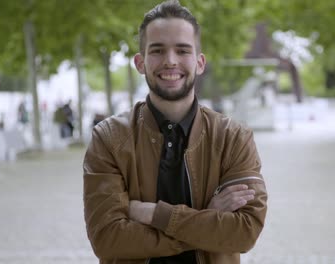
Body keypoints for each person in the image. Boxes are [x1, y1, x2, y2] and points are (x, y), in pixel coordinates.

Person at [83, 1, 268, 264]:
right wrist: (206, 216)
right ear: (140, 62)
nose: (170, 61)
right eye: (157, 51)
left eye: (182, 50)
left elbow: (244, 232)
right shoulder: (109, 138)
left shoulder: (233, 138)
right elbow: (108, 239)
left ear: (200, 62)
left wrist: (154, 214)